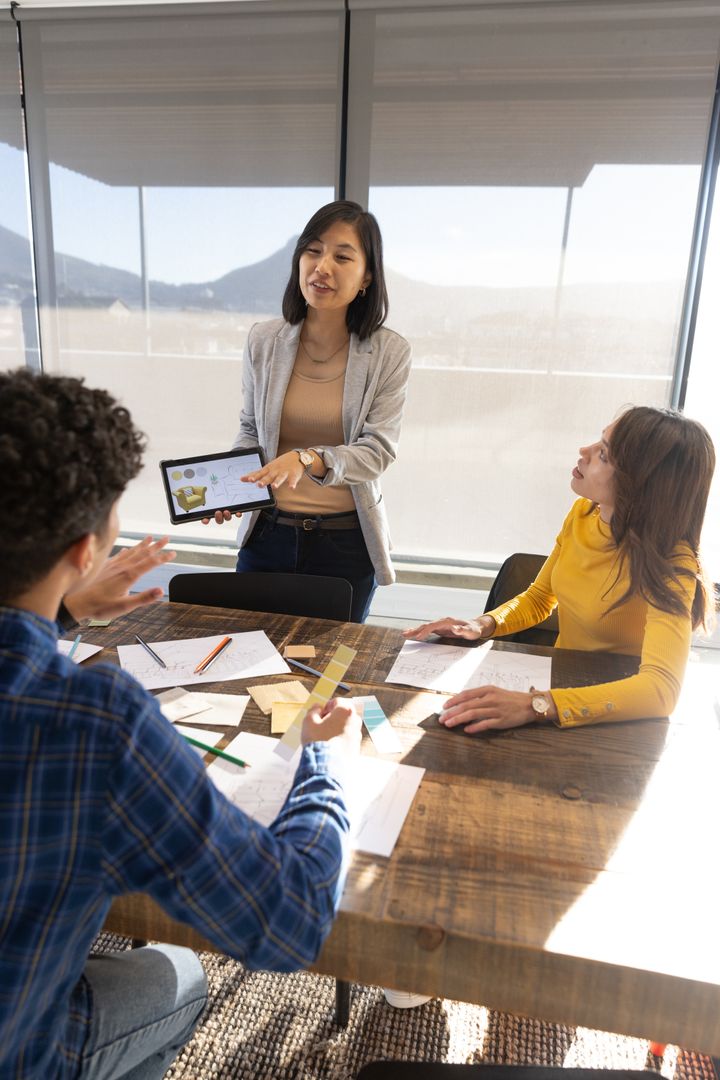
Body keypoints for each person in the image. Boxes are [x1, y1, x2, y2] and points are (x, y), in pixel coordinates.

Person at [0, 368, 361, 1080]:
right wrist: (326, 764)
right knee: (180, 974)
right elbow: (285, 923)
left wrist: (64, 612)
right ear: (84, 550)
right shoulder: (94, 723)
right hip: (22, 1052)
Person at [405, 406, 715, 733]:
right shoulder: (584, 513)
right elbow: (540, 598)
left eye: (604, 455)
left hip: (615, 715)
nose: (584, 451)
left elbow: (660, 690)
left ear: (642, 484)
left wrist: (537, 705)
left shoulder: (673, 563)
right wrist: (482, 624)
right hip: (559, 688)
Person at [206, 200, 411, 623]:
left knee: (329, 676)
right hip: (268, 535)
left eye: (342, 256)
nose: (322, 267)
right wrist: (234, 485)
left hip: (345, 545)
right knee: (249, 661)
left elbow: (377, 451)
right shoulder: (263, 340)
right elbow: (251, 429)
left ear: (367, 276)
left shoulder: (389, 351)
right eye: (312, 251)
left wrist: (309, 458)